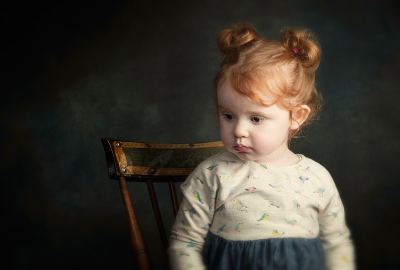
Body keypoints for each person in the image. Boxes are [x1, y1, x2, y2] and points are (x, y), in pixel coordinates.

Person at [167, 22, 355, 270]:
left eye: (256, 118)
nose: (238, 131)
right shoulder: (212, 175)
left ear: (296, 117)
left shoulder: (316, 179)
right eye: (228, 115)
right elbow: (184, 244)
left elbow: (336, 244)